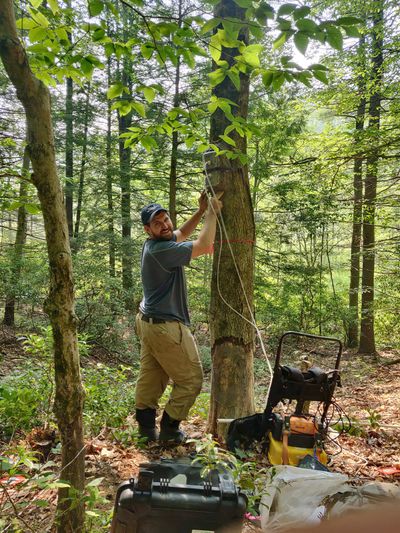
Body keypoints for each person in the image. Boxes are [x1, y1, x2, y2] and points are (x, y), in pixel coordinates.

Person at [135, 191, 223, 443]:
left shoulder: (155, 244)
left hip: (148, 321)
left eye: (166, 219)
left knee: (152, 376)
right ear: (147, 229)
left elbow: (181, 235)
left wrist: (199, 211)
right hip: (164, 326)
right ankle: (170, 429)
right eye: (157, 223)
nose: (164, 225)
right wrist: (212, 213)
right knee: (192, 380)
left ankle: (145, 430)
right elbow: (204, 245)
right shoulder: (160, 251)